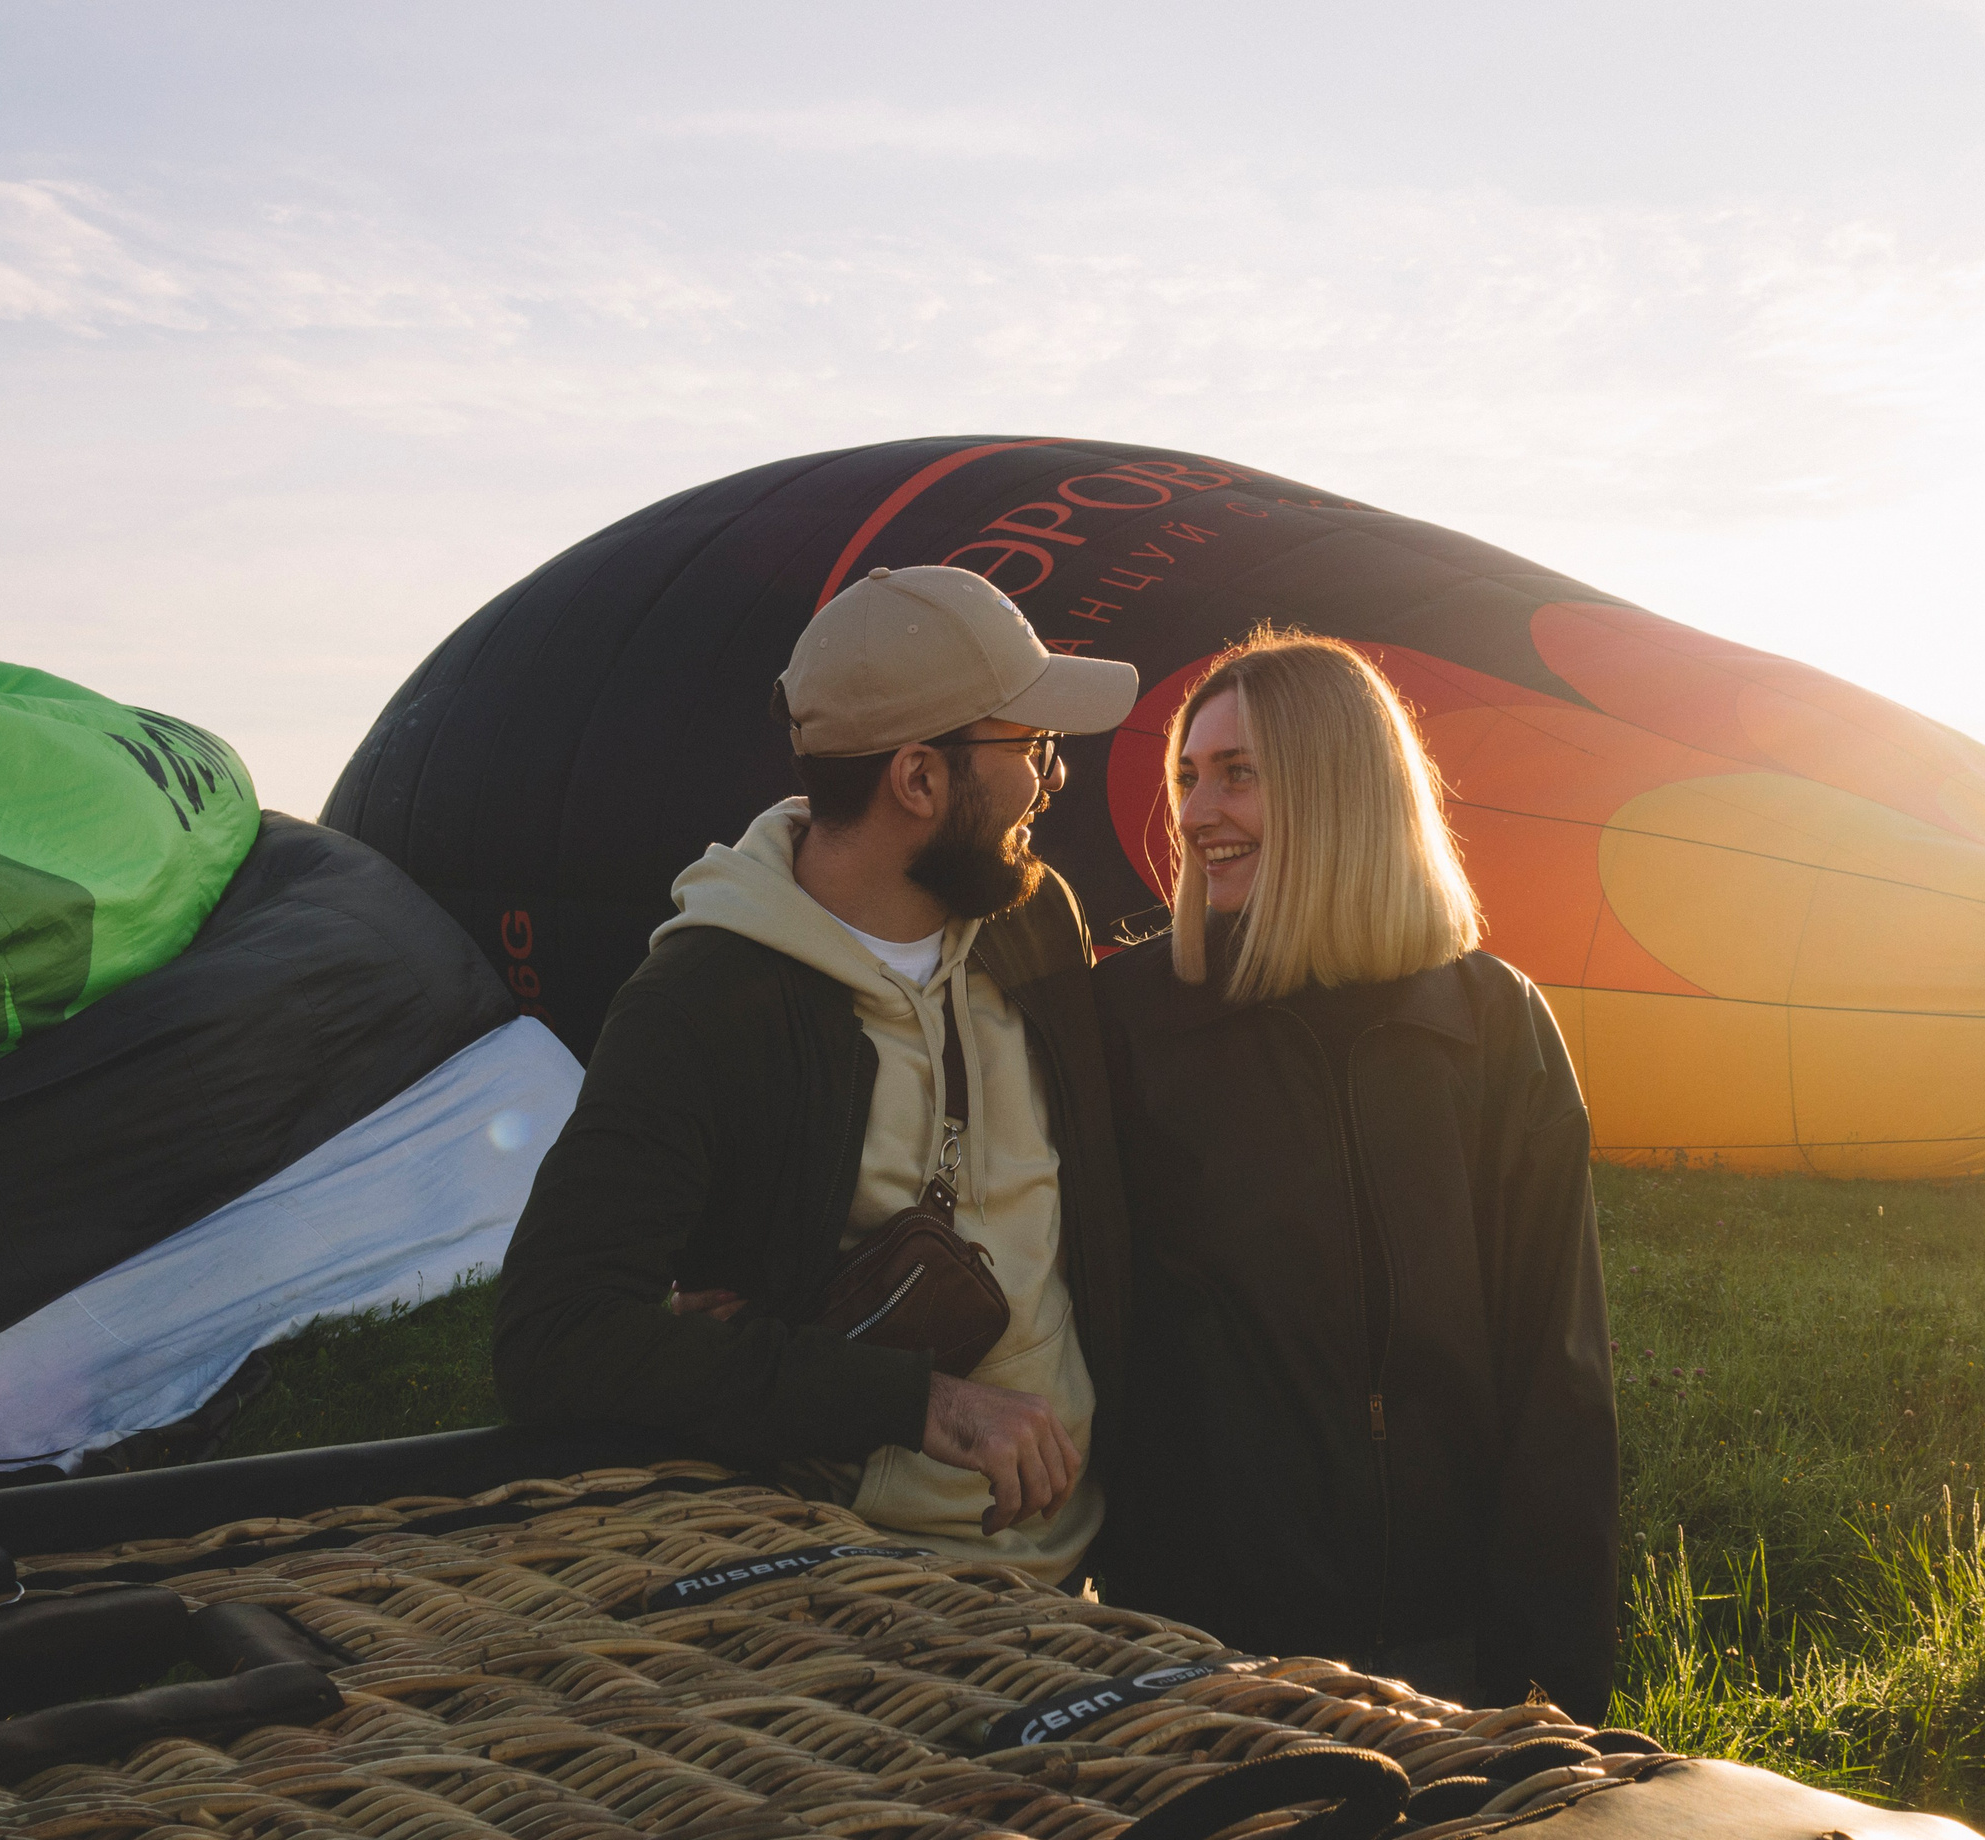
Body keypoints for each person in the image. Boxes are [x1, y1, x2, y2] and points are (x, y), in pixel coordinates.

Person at [493, 565, 1137, 1583]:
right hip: (863, 1587)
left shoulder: (1032, 919)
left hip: (1097, 1569)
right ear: (919, 779)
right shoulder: (702, 1003)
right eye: (1031, 747)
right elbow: (556, 1334)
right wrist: (913, 1402)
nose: (1052, 780)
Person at [1094, 627, 1618, 1720]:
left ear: (1340, 789)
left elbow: (1556, 1370)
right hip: (1200, 1647)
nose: (1196, 812)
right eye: (1187, 776)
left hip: (1447, 1645)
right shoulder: (1127, 1021)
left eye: (1239, 774)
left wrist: (1556, 1673)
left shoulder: (1489, 1021)